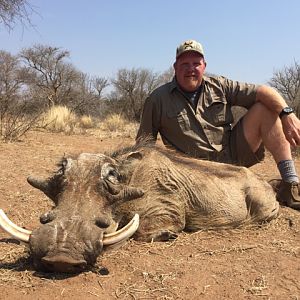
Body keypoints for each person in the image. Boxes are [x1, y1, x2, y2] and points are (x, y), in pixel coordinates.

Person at [136, 39, 300, 210]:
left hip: (232, 158)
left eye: (196, 63)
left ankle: (290, 184)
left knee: (266, 108)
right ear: (175, 67)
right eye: (184, 64)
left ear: (204, 66)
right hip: (192, 173)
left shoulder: (220, 85)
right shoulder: (156, 99)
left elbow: (264, 91)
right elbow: (143, 146)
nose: (190, 69)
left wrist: (288, 114)